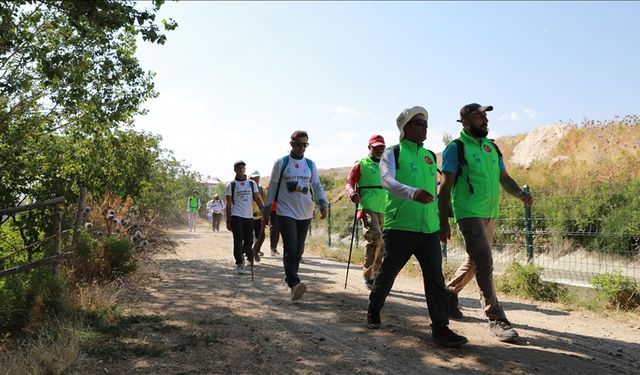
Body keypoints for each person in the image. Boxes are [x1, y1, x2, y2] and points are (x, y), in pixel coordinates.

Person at [367, 106, 468, 348]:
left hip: (429, 229)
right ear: (406, 127)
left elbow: (437, 191)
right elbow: (387, 181)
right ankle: (374, 308)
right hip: (401, 226)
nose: (425, 127)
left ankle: (440, 328)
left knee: (435, 277)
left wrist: (443, 221)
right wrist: (412, 194)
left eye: (425, 123)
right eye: (420, 123)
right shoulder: (393, 153)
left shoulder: (430, 156)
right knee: (389, 271)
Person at [438, 103, 533, 343]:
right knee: (485, 261)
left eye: (486, 116)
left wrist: (520, 194)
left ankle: (448, 294)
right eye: (478, 116)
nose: (484, 119)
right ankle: (496, 317)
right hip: (467, 211)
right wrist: (442, 220)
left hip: (490, 212)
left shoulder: (492, 148)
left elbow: (504, 178)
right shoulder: (455, 149)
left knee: (475, 260)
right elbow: (445, 187)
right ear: (465, 122)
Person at [262, 130, 328, 301]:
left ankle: (293, 281)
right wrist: (267, 207)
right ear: (291, 144)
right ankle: (294, 283)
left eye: (305, 145)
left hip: (305, 211)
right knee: (290, 247)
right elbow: (274, 185)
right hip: (285, 211)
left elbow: (316, 185)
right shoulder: (282, 163)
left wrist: (322, 202)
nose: (302, 148)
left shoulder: (310, 164)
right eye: (298, 144)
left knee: (298, 250)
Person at [345, 134, 387, 290]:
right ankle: (368, 275)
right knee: (374, 238)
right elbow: (349, 183)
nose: (379, 150)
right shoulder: (361, 164)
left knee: (383, 243)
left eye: (382, 147)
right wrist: (353, 194)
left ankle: (376, 274)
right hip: (368, 206)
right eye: (376, 147)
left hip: (385, 207)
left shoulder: (387, 164)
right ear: (369, 147)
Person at [226, 161, 264, 274]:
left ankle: (246, 255)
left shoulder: (252, 183)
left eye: (243, 167)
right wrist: (228, 220)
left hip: (249, 216)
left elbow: (257, 198)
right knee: (238, 240)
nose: (242, 169)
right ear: (235, 170)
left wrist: (263, 210)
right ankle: (239, 263)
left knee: (249, 240)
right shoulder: (231, 185)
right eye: (239, 168)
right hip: (236, 215)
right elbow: (228, 204)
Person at [249, 170, 267, 256]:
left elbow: (265, 202)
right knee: (249, 237)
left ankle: (256, 250)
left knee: (261, 236)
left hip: (258, 217)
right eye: (254, 178)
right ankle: (248, 252)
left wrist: (265, 215)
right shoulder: (246, 188)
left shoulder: (262, 189)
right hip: (247, 216)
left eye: (257, 178)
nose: (256, 179)